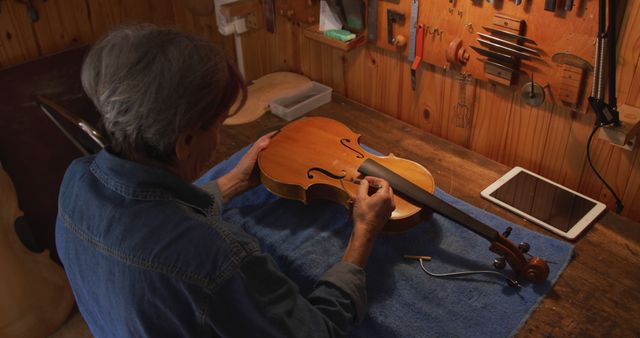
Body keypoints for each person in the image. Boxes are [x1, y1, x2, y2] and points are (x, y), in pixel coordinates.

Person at [56, 25, 395, 338]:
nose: (219, 139)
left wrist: (230, 183)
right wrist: (363, 234)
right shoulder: (218, 258)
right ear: (186, 141)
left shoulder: (74, 179)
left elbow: (151, 219)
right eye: (218, 124)